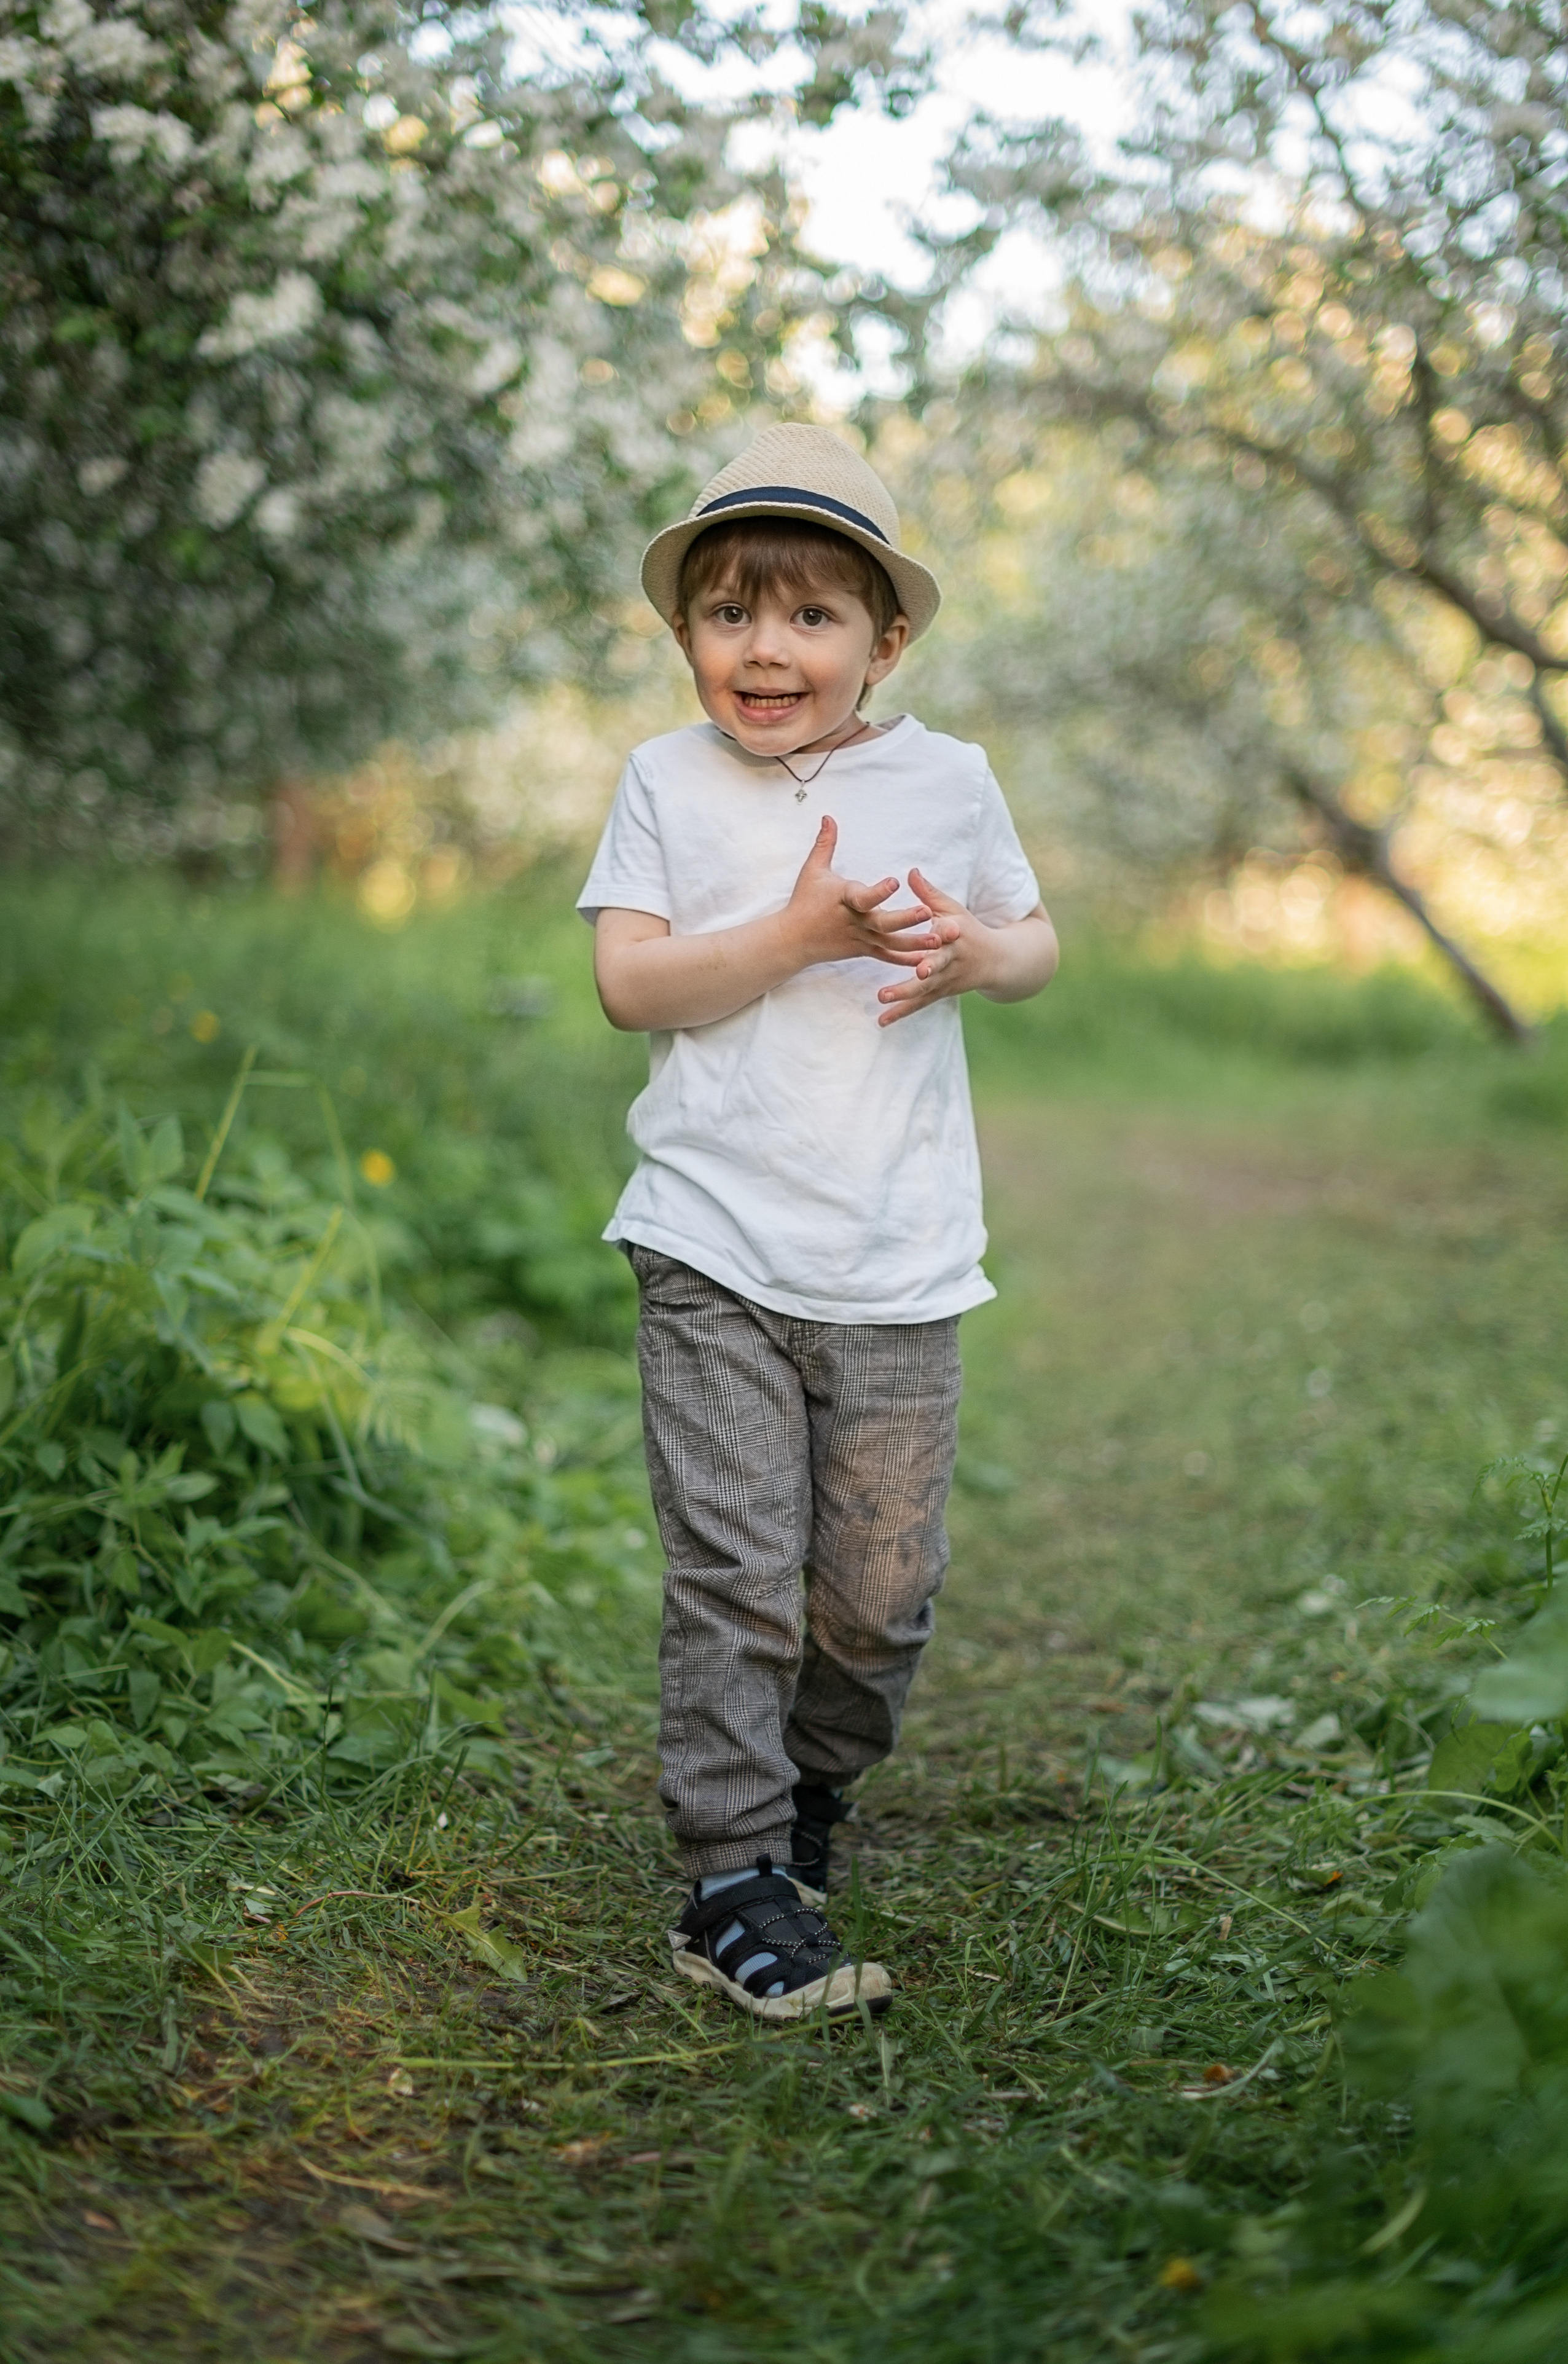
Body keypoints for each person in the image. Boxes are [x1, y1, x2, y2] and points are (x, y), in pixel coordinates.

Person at [577, 422, 1059, 2020]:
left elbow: (1032, 937)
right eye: (728, 613)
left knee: (875, 1594)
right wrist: (794, 934)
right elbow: (629, 980)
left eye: (807, 615)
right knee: (734, 1571)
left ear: (884, 636)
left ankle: (807, 1802)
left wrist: (986, 959)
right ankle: (726, 1880)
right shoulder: (667, 778)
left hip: (899, 1262)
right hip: (709, 1242)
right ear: (688, 635)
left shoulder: (952, 777)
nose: (764, 647)